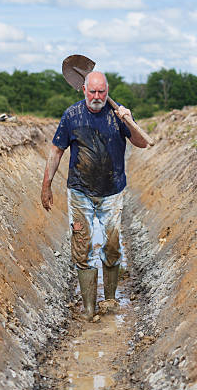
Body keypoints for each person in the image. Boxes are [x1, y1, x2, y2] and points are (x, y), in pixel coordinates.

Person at [40, 71, 148, 321]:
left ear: (107, 90)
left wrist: (130, 121)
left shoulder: (118, 114)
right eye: (93, 91)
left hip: (112, 191)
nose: (97, 97)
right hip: (80, 191)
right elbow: (56, 151)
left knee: (111, 245)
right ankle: (89, 307)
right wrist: (46, 185)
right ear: (84, 90)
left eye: (102, 92)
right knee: (82, 246)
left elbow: (142, 143)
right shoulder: (72, 115)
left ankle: (110, 300)